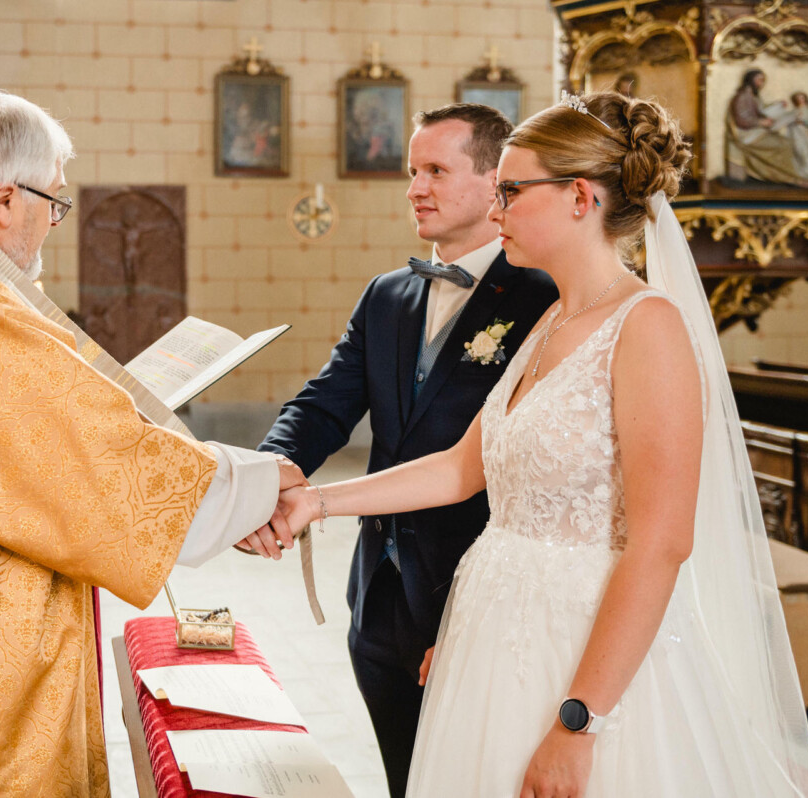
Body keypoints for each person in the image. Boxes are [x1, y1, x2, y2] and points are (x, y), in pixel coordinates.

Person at [276, 91, 808, 797]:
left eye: (510, 190)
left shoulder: (647, 327)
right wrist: (313, 503)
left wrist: (577, 723)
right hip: (494, 640)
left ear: (579, 197)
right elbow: (458, 468)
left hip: (585, 655)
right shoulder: (555, 321)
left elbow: (662, 543)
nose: (496, 210)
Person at [0, 88, 302, 797]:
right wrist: (255, 487)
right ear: (5, 200)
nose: (53, 222)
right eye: (53, 202)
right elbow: (80, 461)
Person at [259, 103, 557, 797]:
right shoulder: (388, 295)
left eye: (435, 170)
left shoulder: (545, 298)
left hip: (472, 596)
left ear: (495, 182)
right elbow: (325, 404)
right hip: (381, 594)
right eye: (411, 171)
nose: (414, 188)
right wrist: (269, 473)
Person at [726, 68, 806, 186]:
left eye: (763, 80)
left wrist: (777, 105)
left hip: (756, 132)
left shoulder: (753, 96)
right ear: (750, 80)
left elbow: (761, 110)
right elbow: (741, 120)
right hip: (747, 135)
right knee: (784, 144)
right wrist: (761, 123)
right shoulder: (742, 97)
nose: (762, 83)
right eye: (759, 80)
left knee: (785, 141)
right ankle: (790, 178)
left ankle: (791, 175)